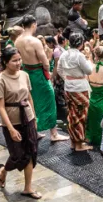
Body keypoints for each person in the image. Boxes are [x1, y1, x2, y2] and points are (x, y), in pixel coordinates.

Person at [0, 47, 42, 199]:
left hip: (27, 117)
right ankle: (3, 171)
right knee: (17, 154)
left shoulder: (25, 75)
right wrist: (10, 129)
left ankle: (28, 188)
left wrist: (34, 118)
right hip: (12, 120)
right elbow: (0, 106)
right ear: (6, 62)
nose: (18, 63)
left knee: (30, 152)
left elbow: (29, 96)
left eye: (19, 59)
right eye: (14, 61)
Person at [16, 14, 67, 143]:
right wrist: (48, 75)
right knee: (50, 100)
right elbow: (45, 62)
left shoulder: (17, 41)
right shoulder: (35, 41)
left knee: (33, 102)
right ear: (34, 25)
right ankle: (54, 134)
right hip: (38, 73)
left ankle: (36, 130)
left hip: (26, 72)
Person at [57, 32, 94, 151]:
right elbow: (88, 71)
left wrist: (67, 78)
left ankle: (73, 142)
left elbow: (59, 69)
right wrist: (89, 60)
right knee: (80, 116)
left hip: (68, 87)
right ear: (81, 43)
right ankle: (79, 144)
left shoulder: (64, 54)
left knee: (72, 115)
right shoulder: (79, 56)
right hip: (80, 88)